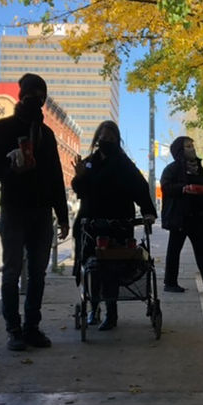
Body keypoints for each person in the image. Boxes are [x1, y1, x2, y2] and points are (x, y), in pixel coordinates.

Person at [0, 73, 69, 351]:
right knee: (12, 271)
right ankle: (14, 329)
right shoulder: (2, 128)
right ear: (22, 96)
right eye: (32, 95)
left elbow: (56, 177)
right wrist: (12, 169)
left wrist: (63, 216)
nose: (37, 100)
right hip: (14, 208)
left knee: (37, 273)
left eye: (41, 96)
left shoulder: (47, 135)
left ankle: (32, 326)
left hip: (41, 211)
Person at [71, 121, 157, 331]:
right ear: (97, 139)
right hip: (91, 223)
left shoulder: (124, 164)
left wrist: (148, 211)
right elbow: (81, 191)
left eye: (111, 138)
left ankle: (111, 312)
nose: (106, 141)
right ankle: (94, 308)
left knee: (111, 266)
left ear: (118, 140)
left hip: (118, 223)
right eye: (103, 137)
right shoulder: (89, 163)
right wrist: (79, 177)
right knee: (92, 266)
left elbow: (140, 187)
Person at [159, 136, 203, 294]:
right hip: (180, 217)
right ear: (180, 151)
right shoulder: (172, 169)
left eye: (192, 145)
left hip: (196, 216)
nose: (192, 149)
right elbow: (166, 187)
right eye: (188, 146)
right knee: (174, 250)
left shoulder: (199, 168)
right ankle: (170, 282)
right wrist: (183, 188)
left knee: (201, 250)